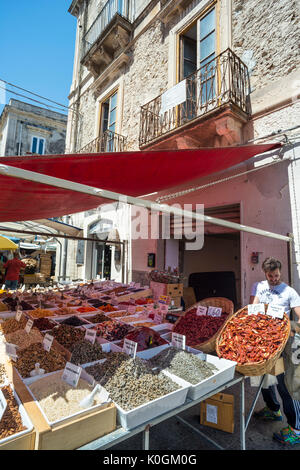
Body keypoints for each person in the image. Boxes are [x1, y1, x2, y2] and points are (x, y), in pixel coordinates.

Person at [250, 257, 300, 445]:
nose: (273, 279)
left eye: (276, 275)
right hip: (264, 343)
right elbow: (253, 309)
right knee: (266, 378)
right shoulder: (260, 286)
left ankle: (296, 428)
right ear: (265, 273)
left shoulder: (290, 292)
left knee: (286, 384)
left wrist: (289, 328)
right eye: (270, 276)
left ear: (281, 272)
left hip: (283, 346)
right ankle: (273, 409)